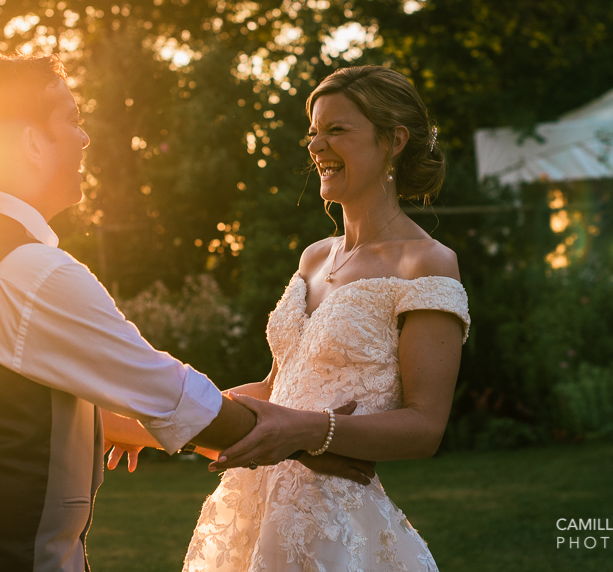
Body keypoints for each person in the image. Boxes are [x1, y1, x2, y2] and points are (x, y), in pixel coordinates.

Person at [0, 54, 274, 572]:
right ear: (31, 143)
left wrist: (103, 423)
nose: (84, 138)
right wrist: (306, 433)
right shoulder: (34, 271)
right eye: (70, 119)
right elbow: (173, 395)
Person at [182, 66, 471, 572]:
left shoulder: (425, 264)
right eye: (313, 132)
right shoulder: (314, 257)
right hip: (254, 511)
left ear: (394, 141)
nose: (316, 145)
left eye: (337, 130)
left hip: (338, 532)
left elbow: (425, 427)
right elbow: (278, 388)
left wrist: (307, 430)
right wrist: (167, 413)